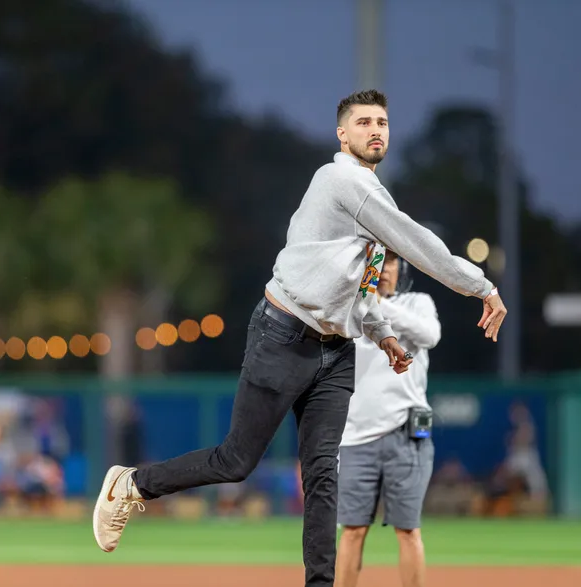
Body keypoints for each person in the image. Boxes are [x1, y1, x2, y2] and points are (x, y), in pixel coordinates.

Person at [92, 89, 507, 587]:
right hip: (283, 335)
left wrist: (382, 333)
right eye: (363, 122)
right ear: (342, 134)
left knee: (323, 478)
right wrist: (482, 286)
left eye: (383, 122)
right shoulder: (340, 181)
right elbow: (418, 243)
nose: (376, 130)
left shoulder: (374, 198)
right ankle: (131, 483)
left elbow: (362, 287)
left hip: (336, 351)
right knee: (236, 461)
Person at [335, 251, 440, 587]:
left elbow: (430, 335)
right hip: (355, 437)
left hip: (406, 435)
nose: (384, 269)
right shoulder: (348, 309)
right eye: (377, 262)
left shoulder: (416, 302)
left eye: (392, 261)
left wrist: (375, 302)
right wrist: (363, 300)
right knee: (351, 531)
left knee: (408, 530)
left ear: (402, 269)